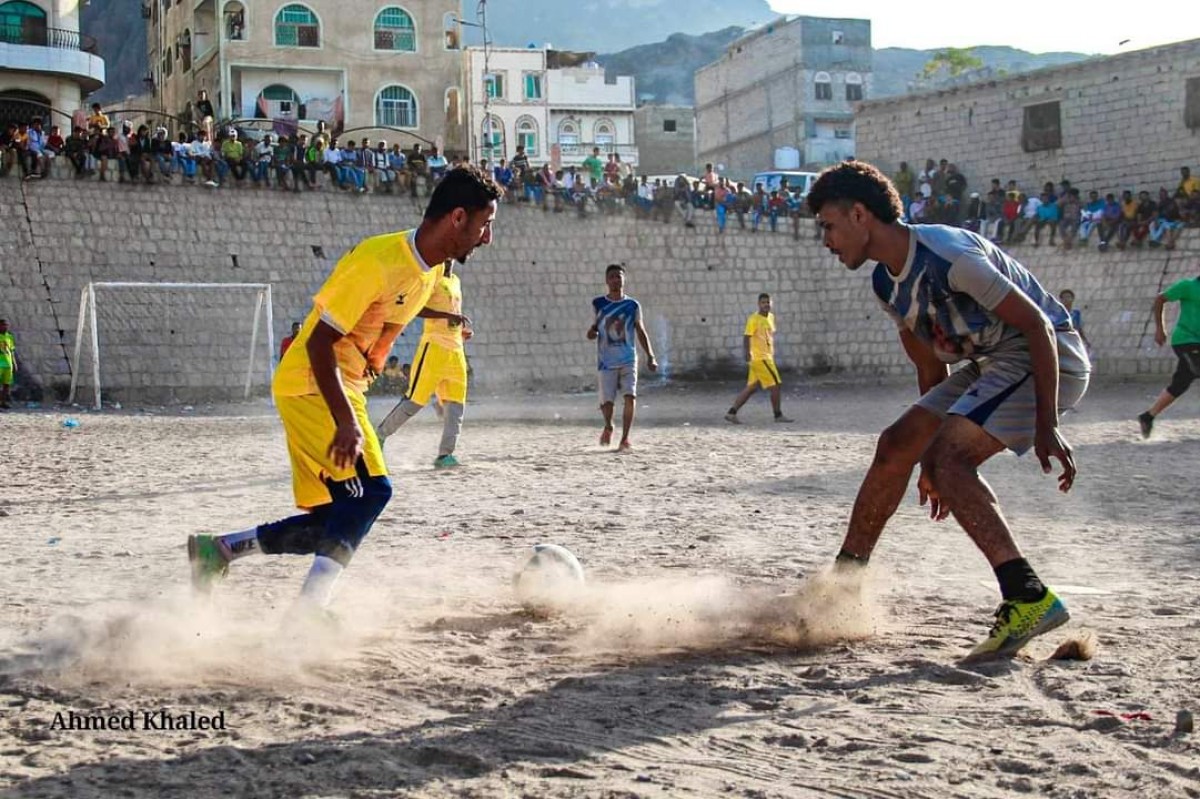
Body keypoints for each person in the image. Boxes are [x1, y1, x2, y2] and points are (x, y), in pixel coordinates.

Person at [806, 161, 1091, 663]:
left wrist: (1046, 425)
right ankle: (846, 583)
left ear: (858, 215)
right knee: (895, 445)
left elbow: (1039, 327)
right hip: (997, 362)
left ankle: (1027, 598)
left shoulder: (949, 255)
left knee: (948, 462)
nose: (826, 240)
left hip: (1048, 356)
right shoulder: (885, 285)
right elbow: (928, 369)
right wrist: (925, 453)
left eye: (828, 226)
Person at [187, 166, 501, 619]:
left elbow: (397, 316)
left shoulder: (428, 273)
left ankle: (219, 550)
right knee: (373, 493)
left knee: (333, 522)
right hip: (312, 383)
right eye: (485, 223)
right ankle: (309, 612)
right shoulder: (376, 261)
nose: (487, 237)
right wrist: (347, 420)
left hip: (335, 384)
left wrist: (378, 355)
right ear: (457, 217)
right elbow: (316, 342)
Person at [375, 260, 473, 468]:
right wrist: (448, 316)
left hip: (456, 350)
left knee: (456, 405)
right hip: (434, 347)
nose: (449, 257)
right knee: (415, 400)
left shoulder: (455, 280)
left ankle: (445, 456)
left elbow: (453, 312)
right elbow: (417, 307)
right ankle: (380, 436)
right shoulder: (431, 277)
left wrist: (459, 330)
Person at [587, 264, 657, 451]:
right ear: (606, 281)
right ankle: (609, 425)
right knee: (607, 402)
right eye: (612, 277)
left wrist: (650, 355)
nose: (616, 280)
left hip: (628, 359)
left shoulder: (632, 305)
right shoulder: (598, 304)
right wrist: (592, 333)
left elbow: (640, 330)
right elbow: (592, 331)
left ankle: (625, 438)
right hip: (606, 361)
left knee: (630, 397)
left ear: (624, 279)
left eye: (619, 276)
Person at [1137, 275, 1200, 439]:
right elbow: (1160, 299)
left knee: (1181, 383)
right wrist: (1160, 328)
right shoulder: (1188, 286)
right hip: (1186, 341)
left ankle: (1148, 416)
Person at [725, 294, 793, 424]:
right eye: (763, 302)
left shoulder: (771, 318)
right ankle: (778, 415)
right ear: (758, 304)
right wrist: (747, 352)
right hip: (761, 358)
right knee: (776, 385)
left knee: (752, 388)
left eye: (768, 302)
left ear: (771, 303)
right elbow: (747, 336)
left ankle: (731, 413)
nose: (766, 305)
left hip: (767, 357)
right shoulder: (753, 319)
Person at [0, 319, 16, 410]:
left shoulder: (9, 337)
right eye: (3, 325)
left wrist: (14, 363)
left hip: (8, 364)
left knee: (7, 384)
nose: (5, 327)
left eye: (6, 325)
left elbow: (12, 351)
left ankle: (3, 402)